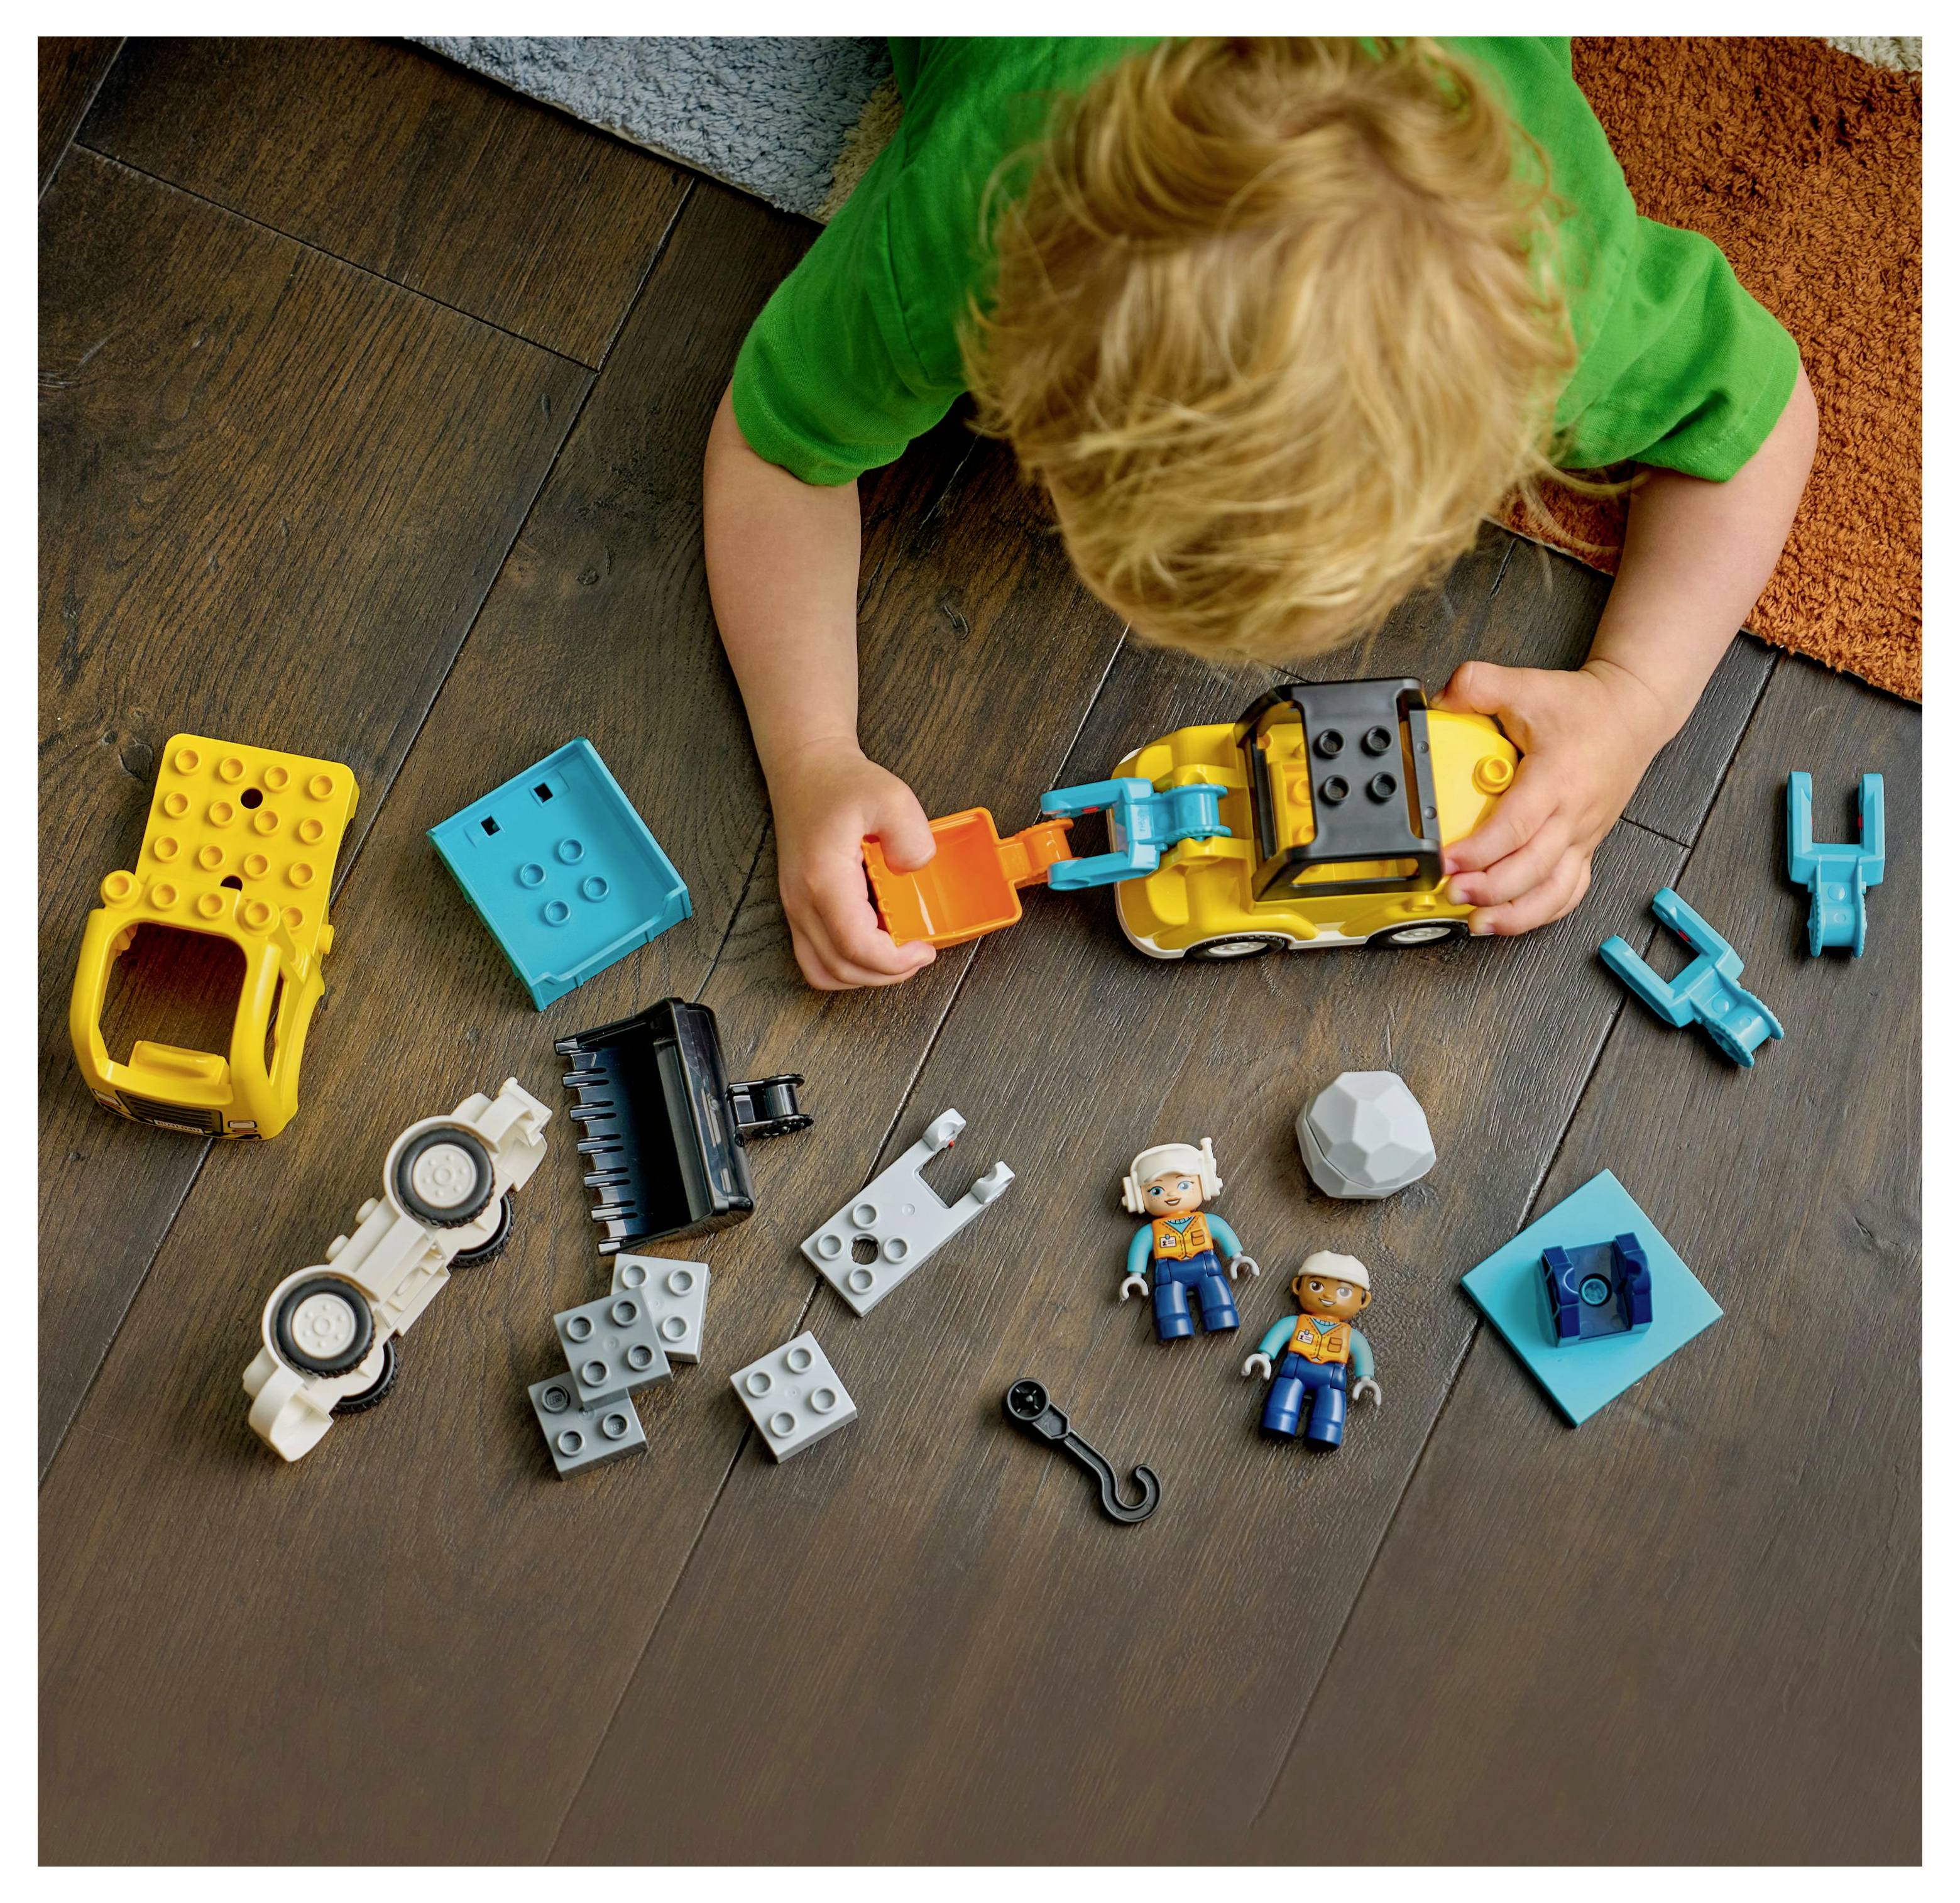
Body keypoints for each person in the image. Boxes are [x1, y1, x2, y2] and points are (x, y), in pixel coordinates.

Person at [704, 37, 1817, 990]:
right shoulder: (957, 235)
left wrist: (1636, 703)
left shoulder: (1563, 299)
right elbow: (776, 451)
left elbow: (1763, 428)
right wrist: (809, 754)